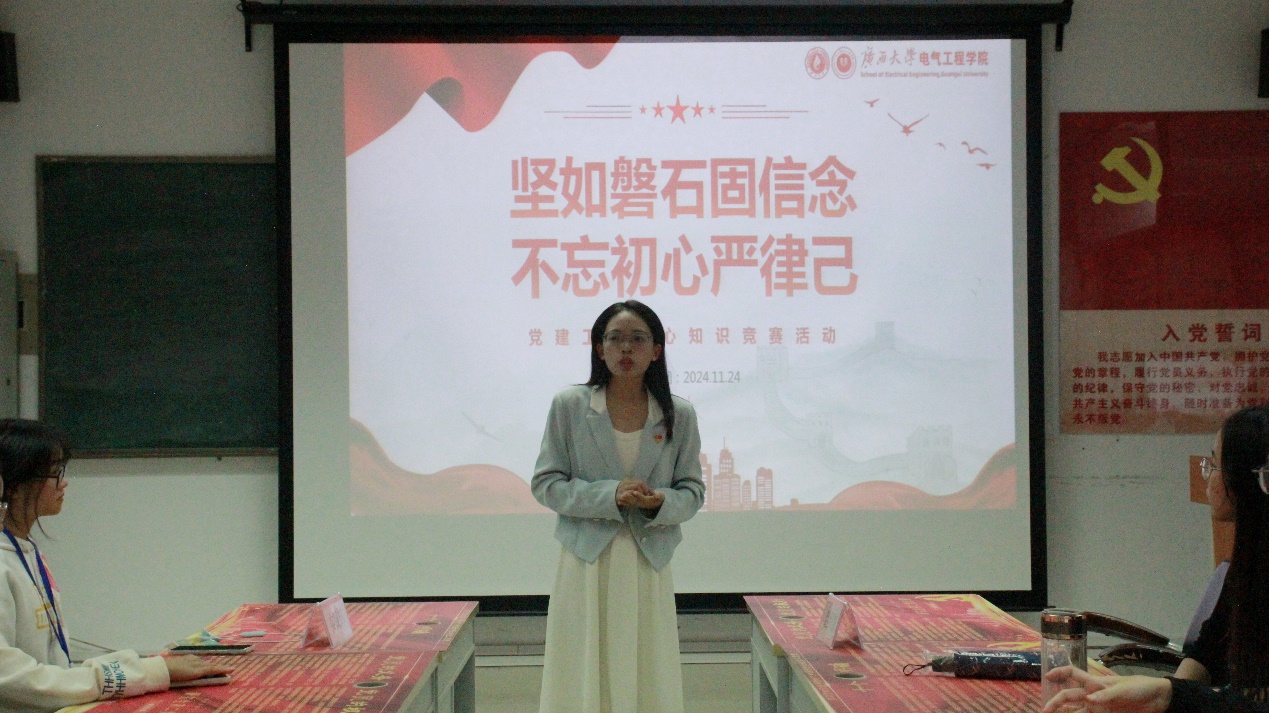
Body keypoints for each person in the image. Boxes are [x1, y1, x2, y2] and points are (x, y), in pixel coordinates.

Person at [532, 301, 705, 713]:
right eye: (615, 339)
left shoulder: (678, 413)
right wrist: (608, 495)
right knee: (581, 671)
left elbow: (693, 491)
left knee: (647, 672)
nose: (626, 348)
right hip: (586, 561)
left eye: (638, 339)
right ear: (599, 348)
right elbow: (546, 484)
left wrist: (659, 501)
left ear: (656, 350)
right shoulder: (570, 406)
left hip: (648, 560)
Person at [1043, 405, 1269, 713]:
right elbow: (1206, 654)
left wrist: (1165, 695)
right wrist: (1157, 695)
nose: (1207, 475)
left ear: (1246, 480)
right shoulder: (1248, 564)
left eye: (1215, 465)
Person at [0, 419, 230, 713]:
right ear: (13, 486)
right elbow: (13, 679)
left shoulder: (26, 551)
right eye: (55, 473)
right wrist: (148, 673)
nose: (64, 483)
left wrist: (149, 668)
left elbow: (54, 663)